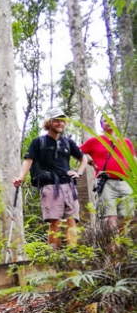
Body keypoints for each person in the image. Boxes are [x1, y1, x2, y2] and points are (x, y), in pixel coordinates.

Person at [13, 107, 88, 250]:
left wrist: (79, 172)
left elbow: (83, 158)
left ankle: (73, 254)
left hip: (69, 186)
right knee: (55, 222)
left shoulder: (68, 142)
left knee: (71, 220)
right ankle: (53, 255)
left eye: (62, 120)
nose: (60, 123)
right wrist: (20, 178)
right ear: (49, 122)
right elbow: (28, 160)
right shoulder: (38, 142)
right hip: (50, 186)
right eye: (57, 120)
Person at [80, 116, 136, 230]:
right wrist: (90, 161)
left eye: (112, 120)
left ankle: (126, 245)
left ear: (116, 123)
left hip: (125, 182)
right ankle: (113, 245)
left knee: (129, 217)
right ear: (101, 125)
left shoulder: (126, 142)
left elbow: (133, 159)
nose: (109, 122)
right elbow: (77, 152)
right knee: (110, 217)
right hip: (106, 183)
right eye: (105, 120)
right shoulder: (95, 141)